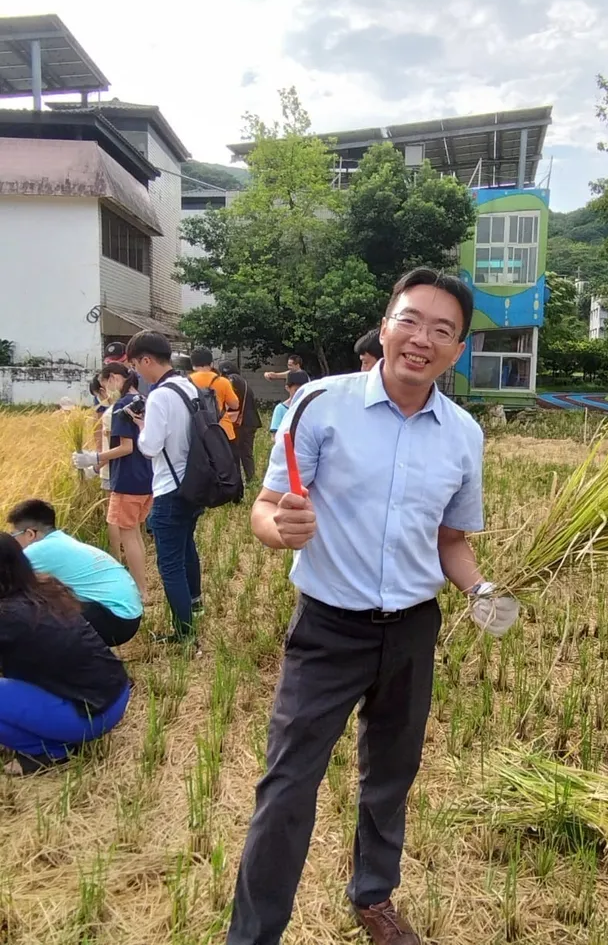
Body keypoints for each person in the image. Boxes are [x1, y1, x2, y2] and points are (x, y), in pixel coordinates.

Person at [227, 268, 519, 945]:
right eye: (410, 320)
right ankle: (254, 934)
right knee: (288, 784)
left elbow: (451, 541)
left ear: (458, 350)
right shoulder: (320, 404)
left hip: (413, 629)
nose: (422, 339)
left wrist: (480, 591)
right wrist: (279, 529)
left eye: (442, 330)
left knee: (391, 773)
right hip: (329, 627)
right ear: (386, 326)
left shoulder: (463, 434)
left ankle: (374, 895)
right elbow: (266, 508)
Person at [0, 532, 130, 776]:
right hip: (114, 694)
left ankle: (47, 751)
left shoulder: (8, 616)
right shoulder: (41, 590)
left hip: (91, 715)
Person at [125, 331, 203, 644]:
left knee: (169, 565)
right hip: (195, 482)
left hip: (170, 488)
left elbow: (150, 447)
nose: (136, 372)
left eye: (135, 365)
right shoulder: (188, 386)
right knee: (186, 547)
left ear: (146, 360)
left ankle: (184, 634)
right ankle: (195, 605)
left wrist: (142, 426)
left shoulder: (159, 395)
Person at [7, 500, 143, 647]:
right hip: (128, 616)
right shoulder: (61, 540)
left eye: (14, 536)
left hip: (114, 619)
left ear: (29, 534)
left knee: (30, 613)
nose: (13, 542)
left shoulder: (39, 550)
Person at [72, 364, 153, 602]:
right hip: (147, 477)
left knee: (128, 535)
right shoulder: (143, 400)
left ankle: (141, 591)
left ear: (114, 378)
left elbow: (126, 447)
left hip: (127, 480)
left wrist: (94, 458)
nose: (106, 390)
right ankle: (142, 586)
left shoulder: (121, 406)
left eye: (105, 384)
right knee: (135, 533)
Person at [190, 347, 243, 503]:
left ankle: (207, 495)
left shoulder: (187, 382)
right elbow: (235, 404)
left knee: (203, 463)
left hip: (199, 429)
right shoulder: (222, 381)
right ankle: (236, 495)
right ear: (211, 363)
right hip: (223, 428)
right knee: (232, 462)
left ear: (192, 364)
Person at [220, 361, 262, 485]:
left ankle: (240, 480)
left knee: (236, 452)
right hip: (250, 421)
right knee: (246, 452)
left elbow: (232, 400)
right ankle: (251, 478)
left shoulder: (232, 379)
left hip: (241, 423)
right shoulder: (242, 380)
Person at [268, 370, 310, 441]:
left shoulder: (310, 407)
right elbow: (274, 435)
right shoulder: (280, 409)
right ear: (287, 388)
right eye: (296, 390)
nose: (300, 393)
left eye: (303, 390)